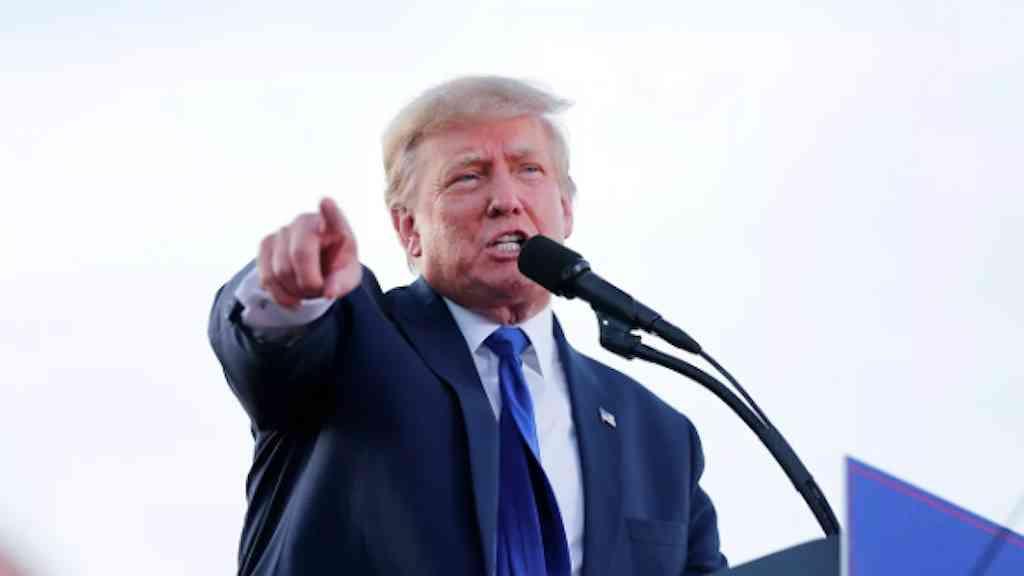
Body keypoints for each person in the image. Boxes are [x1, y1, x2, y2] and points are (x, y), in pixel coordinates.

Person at [209, 76, 727, 576]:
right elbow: (271, 351)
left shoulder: (660, 436)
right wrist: (291, 292)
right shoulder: (351, 336)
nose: (506, 199)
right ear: (409, 229)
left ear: (565, 210)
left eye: (529, 170)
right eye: (468, 176)